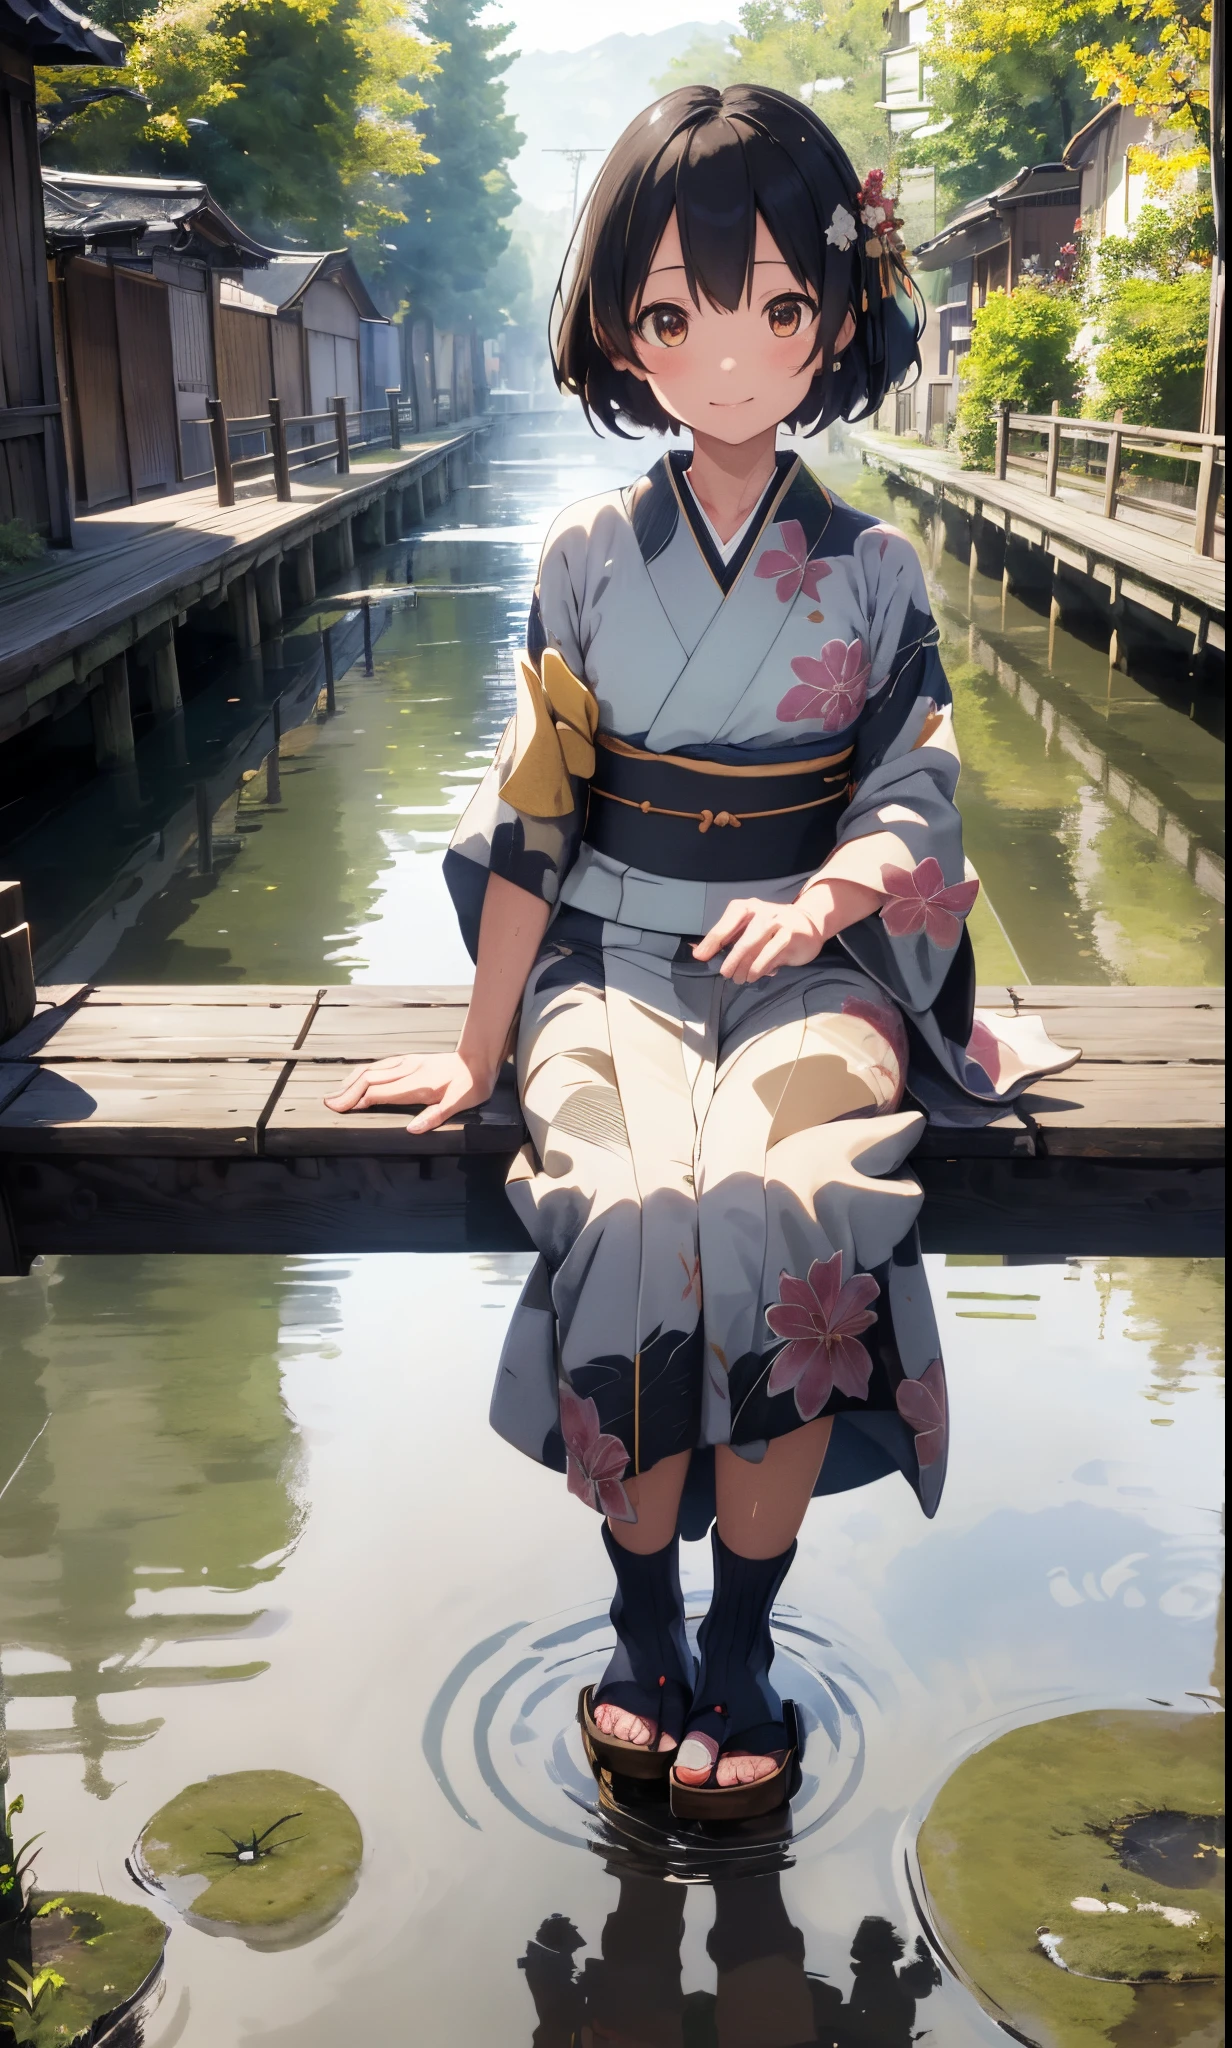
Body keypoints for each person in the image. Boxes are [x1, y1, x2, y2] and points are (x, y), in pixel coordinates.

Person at [326, 85, 1073, 1821]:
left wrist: (827, 900)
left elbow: (918, 795)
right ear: (622, 331)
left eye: (775, 308)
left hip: (814, 963)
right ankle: (640, 1619)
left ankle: (742, 1635)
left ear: (832, 320)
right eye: (679, 311)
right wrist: (475, 1046)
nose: (729, 356)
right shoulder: (581, 559)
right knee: (630, 1207)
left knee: (785, 1203)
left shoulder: (874, 571)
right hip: (608, 960)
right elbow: (534, 821)